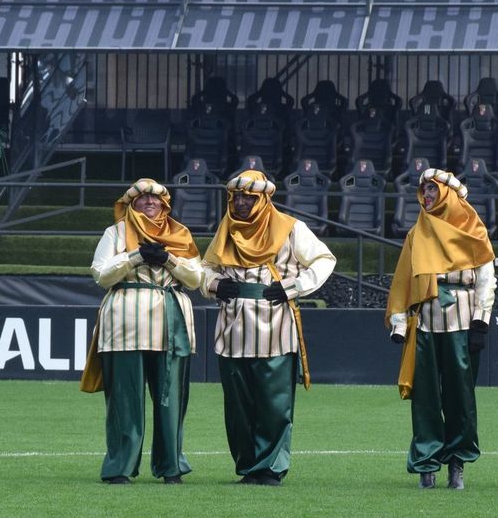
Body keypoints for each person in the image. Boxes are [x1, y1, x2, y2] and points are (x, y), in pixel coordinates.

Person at [201, 169, 336, 484]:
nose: (242, 203)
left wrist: (294, 287)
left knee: (274, 403)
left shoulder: (290, 228)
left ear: (263, 199)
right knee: (238, 405)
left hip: (275, 324)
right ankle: (248, 466)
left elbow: (324, 259)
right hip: (232, 328)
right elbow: (205, 267)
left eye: (249, 197)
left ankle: (271, 467)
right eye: (237, 197)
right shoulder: (226, 228)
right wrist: (214, 284)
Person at [82, 178, 205, 484]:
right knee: (125, 398)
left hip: (171, 319)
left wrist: (168, 259)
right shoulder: (116, 232)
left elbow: (196, 278)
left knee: (171, 398)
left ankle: (171, 466)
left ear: (165, 204)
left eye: (156, 198)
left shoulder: (180, 233)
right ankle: (120, 467)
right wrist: (135, 256)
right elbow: (101, 273)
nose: (150, 201)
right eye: (143, 198)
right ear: (131, 204)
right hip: (125, 320)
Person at [385, 168, 496, 490]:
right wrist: (398, 322)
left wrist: (481, 322)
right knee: (426, 399)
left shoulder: (475, 233)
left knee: (460, 398)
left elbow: (486, 280)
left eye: (433, 191)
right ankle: (427, 464)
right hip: (425, 326)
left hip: (462, 325)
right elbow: (403, 280)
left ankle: (457, 463)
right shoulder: (417, 234)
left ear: (447, 194)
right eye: (425, 191)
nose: (427, 196)